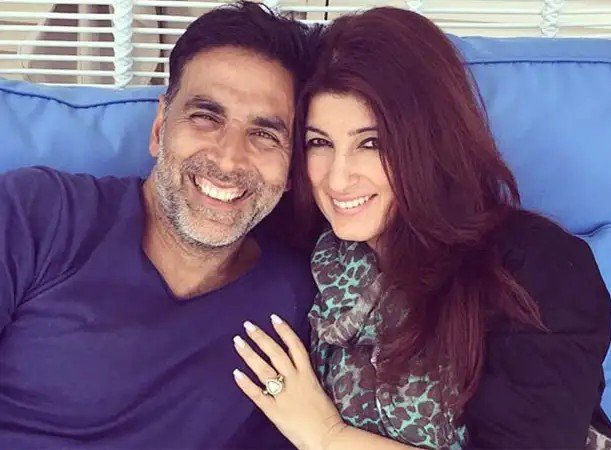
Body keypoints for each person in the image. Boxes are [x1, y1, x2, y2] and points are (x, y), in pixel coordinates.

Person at [232, 7, 611, 449]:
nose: (337, 179)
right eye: (320, 143)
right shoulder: (308, 243)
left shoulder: (540, 269)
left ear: (432, 142)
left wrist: (327, 435)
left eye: (371, 143)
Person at [0, 2, 320, 448]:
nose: (229, 159)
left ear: (291, 172)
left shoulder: (303, 300)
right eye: (206, 117)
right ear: (158, 128)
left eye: (265, 135)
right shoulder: (36, 211)